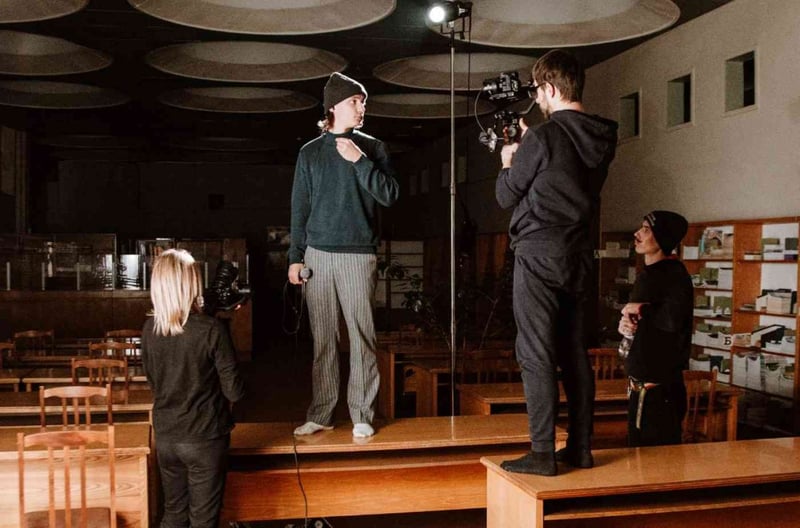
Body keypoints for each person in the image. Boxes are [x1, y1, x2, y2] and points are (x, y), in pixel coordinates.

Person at [495, 49, 618, 475]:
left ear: (549, 88)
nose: (536, 98)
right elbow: (561, 173)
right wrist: (534, 145)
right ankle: (580, 448)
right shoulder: (602, 137)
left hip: (538, 254)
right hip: (579, 255)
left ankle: (542, 452)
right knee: (574, 354)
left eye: (537, 91)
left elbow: (506, 195)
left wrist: (510, 160)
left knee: (536, 353)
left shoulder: (543, 138)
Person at [288, 72, 399, 439]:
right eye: (354, 101)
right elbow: (300, 208)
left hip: (358, 254)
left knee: (362, 338)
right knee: (323, 341)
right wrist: (295, 257)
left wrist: (359, 161)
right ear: (333, 106)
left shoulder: (373, 148)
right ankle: (321, 413)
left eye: (363, 102)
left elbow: (389, 195)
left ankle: (362, 414)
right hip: (317, 256)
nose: (361, 108)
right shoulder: (310, 152)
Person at [141, 249, 245, 528]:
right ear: (191, 284)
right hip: (205, 436)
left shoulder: (149, 329)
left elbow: (153, 383)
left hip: (166, 437)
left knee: (173, 513)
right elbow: (235, 392)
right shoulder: (211, 329)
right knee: (203, 520)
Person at [619, 210, 693, 447]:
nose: (637, 234)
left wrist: (641, 309)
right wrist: (626, 326)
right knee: (638, 457)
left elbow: (672, 320)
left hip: (659, 393)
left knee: (657, 461)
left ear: (662, 238)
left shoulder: (674, 275)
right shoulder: (648, 275)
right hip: (640, 387)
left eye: (646, 229)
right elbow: (641, 326)